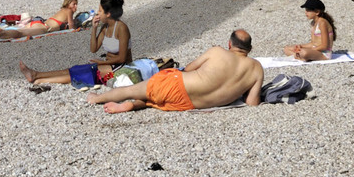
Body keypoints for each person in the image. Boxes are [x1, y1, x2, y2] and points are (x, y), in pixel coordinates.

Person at [86, 29, 263, 113]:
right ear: (250, 49)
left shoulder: (217, 51)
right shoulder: (256, 69)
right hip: (190, 104)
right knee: (152, 101)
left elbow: (189, 68)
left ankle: (97, 99)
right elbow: (252, 102)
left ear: (229, 44)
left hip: (176, 85)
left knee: (131, 90)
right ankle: (132, 105)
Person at [19, 0, 131, 85]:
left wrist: (101, 62)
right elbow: (93, 49)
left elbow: (122, 58)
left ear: (108, 14)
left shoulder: (121, 28)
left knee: (83, 73)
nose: (97, 13)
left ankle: (38, 77)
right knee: (76, 69)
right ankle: (38, 76)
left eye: (100, 11)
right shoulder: (105, 27)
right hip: (110, 65)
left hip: (121, 69)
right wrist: (94, 28)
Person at [0, 0, 77, 43]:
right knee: (20, 33)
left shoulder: (61, 10)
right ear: (68, 4)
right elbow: (71, 27)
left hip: (37, 23)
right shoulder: (69, 11)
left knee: (20, 31)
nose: (75, 7)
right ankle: (2, 32)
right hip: (43, 27)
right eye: (74, 4)